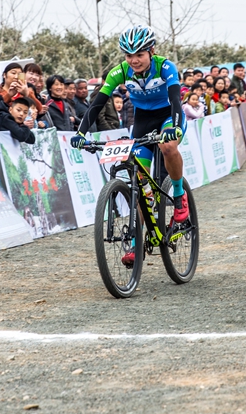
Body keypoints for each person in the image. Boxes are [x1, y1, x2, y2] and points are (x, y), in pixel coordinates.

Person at [72, 25, 188, 267]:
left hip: (168, 116)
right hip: (143, 121)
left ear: (151, 51)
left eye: (139, 55)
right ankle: (136, 243)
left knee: (168, 147)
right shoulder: (119, 72)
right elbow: (97, 104)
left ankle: (178, 194)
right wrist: (81, 132)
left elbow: (176, 99)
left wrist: (174, 127)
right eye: (128, 56)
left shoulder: (165, 66)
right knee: (138, 181)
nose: (134, 61)